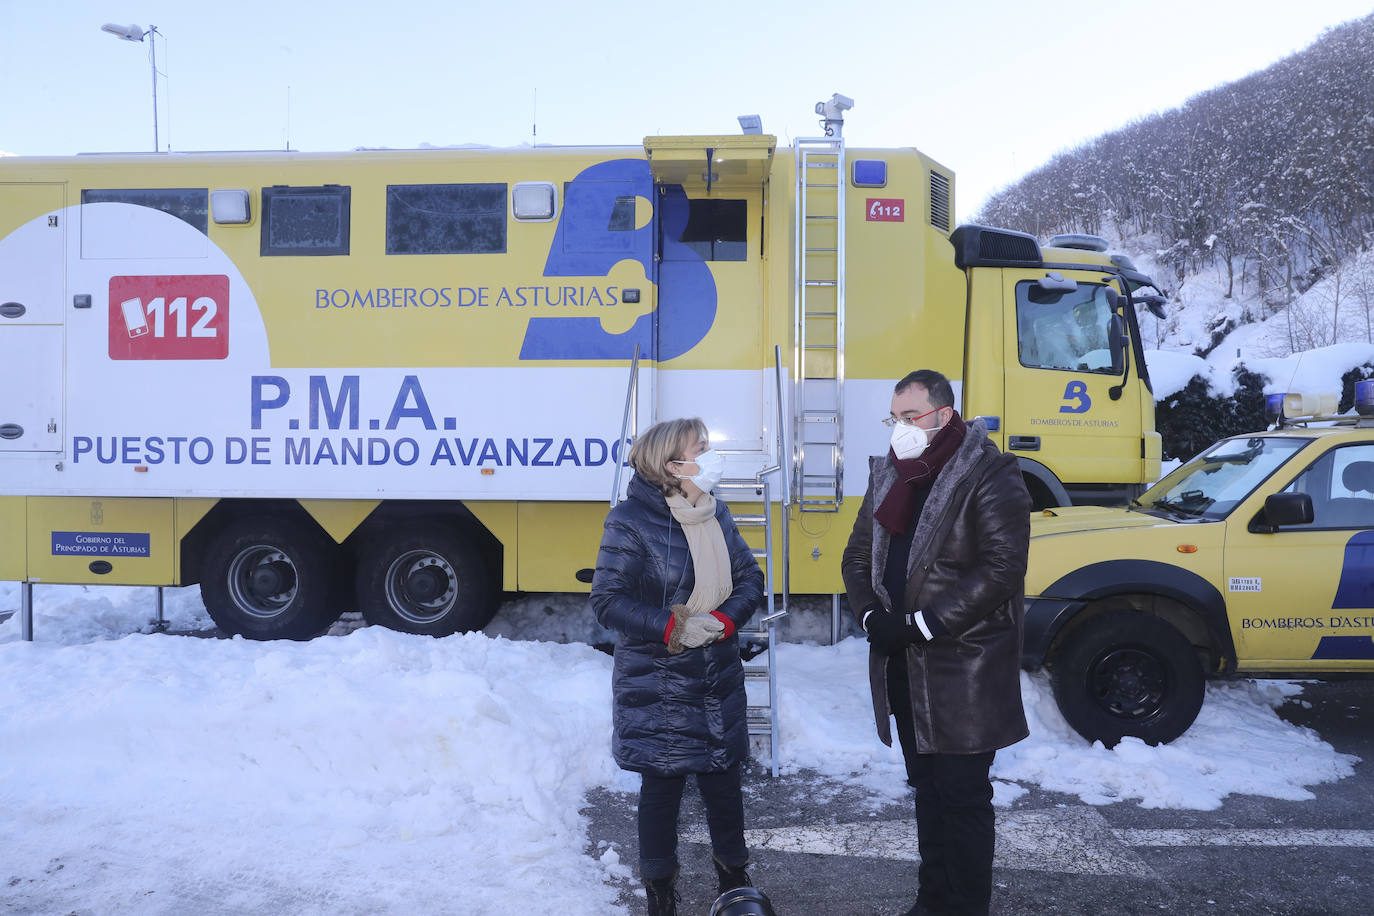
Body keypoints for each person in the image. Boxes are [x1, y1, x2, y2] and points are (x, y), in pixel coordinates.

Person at [841, 369, 1032, 916]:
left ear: (944, 416)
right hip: (903, 662)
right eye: (893, 418)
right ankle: (932, 904)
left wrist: (923, 623)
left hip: (962, 667)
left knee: (963, 798)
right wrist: (872, 613)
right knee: (926, 792)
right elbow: (857, 556)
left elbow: (1001, 569)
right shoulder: (889, 475)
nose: (899, 428)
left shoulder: (990, 474)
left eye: (910, 417)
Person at [591, 417, 766, 916]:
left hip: (716, 677)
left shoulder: (714, 511)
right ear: (673, 464)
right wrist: (674, 627)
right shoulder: (630, 521)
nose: (711, 456)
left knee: (724, 787)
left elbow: (749, 577)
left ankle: (734, 879)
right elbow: (607, 601)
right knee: (662, 791)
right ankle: (660, 893)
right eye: (702, 449)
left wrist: (724, 623)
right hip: (660, 682)